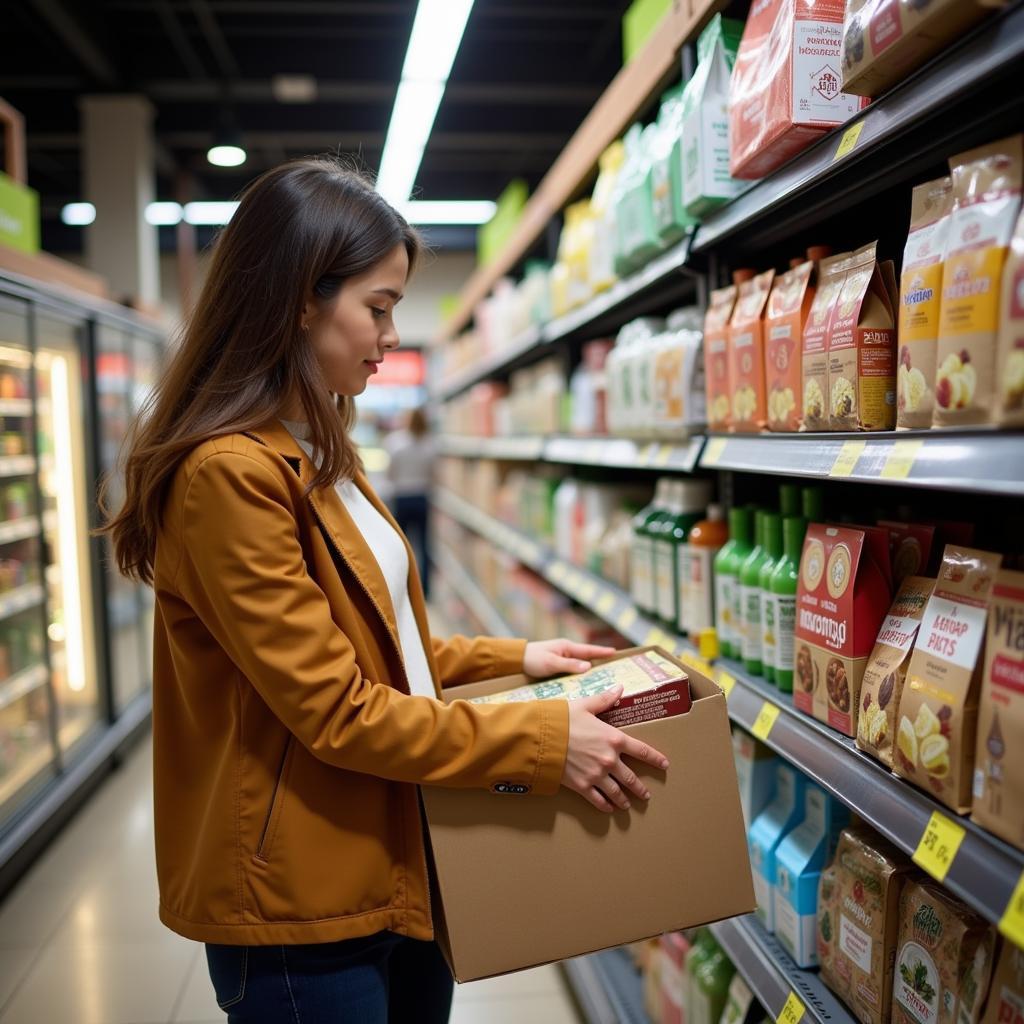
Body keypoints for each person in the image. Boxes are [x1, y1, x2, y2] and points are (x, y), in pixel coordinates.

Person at [99, 158, 669, 1024]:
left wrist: (516, 657)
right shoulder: (230, 476)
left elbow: (380, 643)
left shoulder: (320, 451)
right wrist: (539, 742)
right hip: (301, 900)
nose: (393, 334)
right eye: (380, 305)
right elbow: (337, 708)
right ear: (299, 298)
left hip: (394, 857)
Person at [385, 406, 435, 597]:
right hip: (422, 497)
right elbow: (433, 474)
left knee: (401, 545)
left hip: (401, 497)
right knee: (424, 544)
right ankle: (425, 590)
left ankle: (404, 587)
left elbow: (390, 473)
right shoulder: (430, 444)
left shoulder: (395, 442)